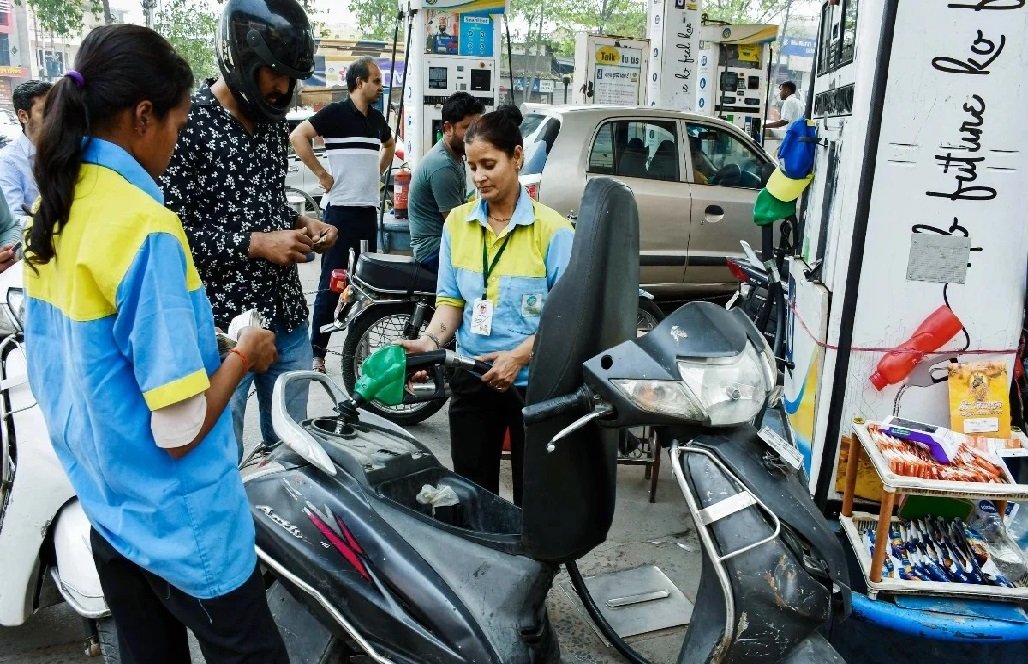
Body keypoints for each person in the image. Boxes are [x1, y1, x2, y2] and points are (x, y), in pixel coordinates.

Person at [22, 24, 286, 662]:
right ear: (144, 116)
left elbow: (91, 365)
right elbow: (179, 429)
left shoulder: (54, 210)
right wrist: (245, 354)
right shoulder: (146, 228)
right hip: (181, 525)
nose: (179, 138)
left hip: (110, 511)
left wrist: (207, 347)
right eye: (178, 121)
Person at [163, 0, 336, 456]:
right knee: (222, 458)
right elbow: (170, 237)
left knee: (295, 450)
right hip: (223, 331)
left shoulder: (273, 126)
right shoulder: (187, 124)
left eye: (291, 78)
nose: (283, 89)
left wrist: (302, 224)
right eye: (274, 74)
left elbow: (268, 204)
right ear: (241, 58)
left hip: (287, 317)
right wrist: (255, 244)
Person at [399, 108, 574, 506]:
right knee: (472, 494)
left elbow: (566, 320)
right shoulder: (457, 224)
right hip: (472, 374)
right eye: (472, 166)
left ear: (517, 157)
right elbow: (450, 302)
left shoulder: (554, 231)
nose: (479, 176)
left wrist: (518, 357)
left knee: (535, 500)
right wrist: (430, 342)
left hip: (534, 383)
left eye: (489, 164)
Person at [290, 55, 396, 373]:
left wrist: (377, 173)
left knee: (365, 285)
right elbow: (297, 137)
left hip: (368, 214)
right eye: (376, 81)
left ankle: (358, 349)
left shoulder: (376, 120)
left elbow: (389, 146)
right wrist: (321, 173)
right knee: (332, 282)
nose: (380, 86)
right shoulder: (335, 114)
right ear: (359, 82)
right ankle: (318, 353)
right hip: (339, 213)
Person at [408, 92, 483, 270]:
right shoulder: (442, 166)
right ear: (448, 128)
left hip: (444, 241)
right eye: (467, 128)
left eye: (478, 129)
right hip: (433, 249)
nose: (475, 136)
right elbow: (457, 225)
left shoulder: (455, 156)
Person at [0, 80, 51, 225]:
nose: (54, 118)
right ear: (23, 116)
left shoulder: (67, 150)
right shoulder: (8, 161)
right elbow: (15, 219)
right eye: (46, 111)